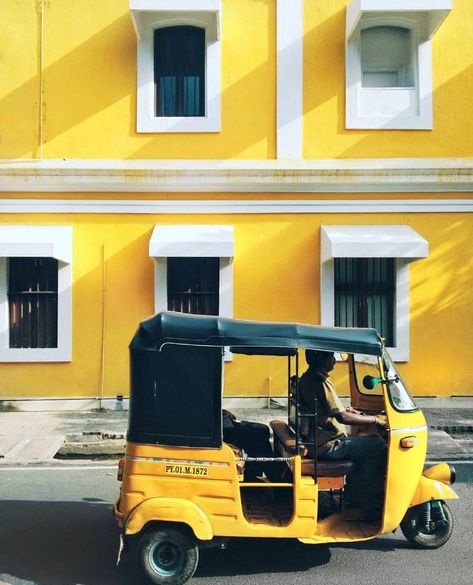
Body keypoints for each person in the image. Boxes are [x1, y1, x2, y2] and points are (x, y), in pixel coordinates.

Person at [299, 349, 387, 520]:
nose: (334, 359)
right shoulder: (321, 380)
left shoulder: (307, 378)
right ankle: (368, 500)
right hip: (328, 444)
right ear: (321, 359)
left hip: (316, 439)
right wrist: (376, 420)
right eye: (331, 356)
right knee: (376, 445)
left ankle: (354, 496)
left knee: (363, 445)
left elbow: (329, 409)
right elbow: (342, 417)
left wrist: (350, 412)